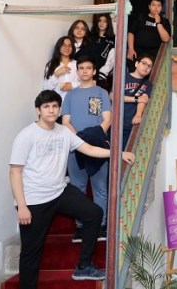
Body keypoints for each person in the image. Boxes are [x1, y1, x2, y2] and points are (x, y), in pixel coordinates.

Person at [9, 90, 135, 287]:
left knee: (94, 213)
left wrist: (118, 153)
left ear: (59, 109)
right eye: (46, 107)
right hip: (34, 200)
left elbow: (88, 148)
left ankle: (83, 266)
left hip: (59, 192)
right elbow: (15, 172)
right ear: (38, 110)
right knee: (31, 252)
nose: (51, 110)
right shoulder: (26, 135)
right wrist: (22, 206)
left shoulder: (63, 132)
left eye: (54, 106)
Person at [61, 57, 112, 242]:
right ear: (77, 72)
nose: (84, 71)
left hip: (97, 146)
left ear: (94, 71)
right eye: (81, 68)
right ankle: (81, 227)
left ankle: (101, 226)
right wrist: (79, 141)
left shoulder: (101, 93)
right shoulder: (70, 95)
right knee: (78, 189)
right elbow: (65, 122)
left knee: (100, 189)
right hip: (75, 148)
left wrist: (93, 138)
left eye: (88, 68)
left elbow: (107, 120)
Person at [122, 55, 154, 150]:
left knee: (126, 151)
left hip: (131, 123)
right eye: (144, 63)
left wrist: (138, 115)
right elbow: (115, 96)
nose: (146, 67)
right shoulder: (124, 76)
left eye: (149, 66)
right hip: (117, 121)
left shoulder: (147, 84)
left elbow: (144, 99)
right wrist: (136, 99)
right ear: (136, 64)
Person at [127, 0, 172, 64]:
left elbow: (166, 39)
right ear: (149, 6)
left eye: (159, 5)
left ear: (161, 8)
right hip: (137, 52)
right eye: (153, 5)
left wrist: (158, 23)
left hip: (154, 55)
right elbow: (131, 33)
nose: (156, 8)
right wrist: (131, 49)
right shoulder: (141, 17)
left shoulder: (164, 21)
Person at [43, 36, 80, 101]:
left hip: (75, 101)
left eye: (70, 46)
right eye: (64, 45)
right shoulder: (51, 65)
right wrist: (56, 75)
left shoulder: (77, 64)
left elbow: (86, 83)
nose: (67, 48)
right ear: (59, 47)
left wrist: (72, 85)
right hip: (57, 103)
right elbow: (46, 89)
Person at [89, 14, 115, 90]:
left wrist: (101, 75)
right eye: (100, 21)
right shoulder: (90, 36)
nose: (102, 23)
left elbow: (111, 59)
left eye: (105, 21)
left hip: (102, 76)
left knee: (97, 96)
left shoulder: (113, 39)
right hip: (88, 72)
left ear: (108, 23)